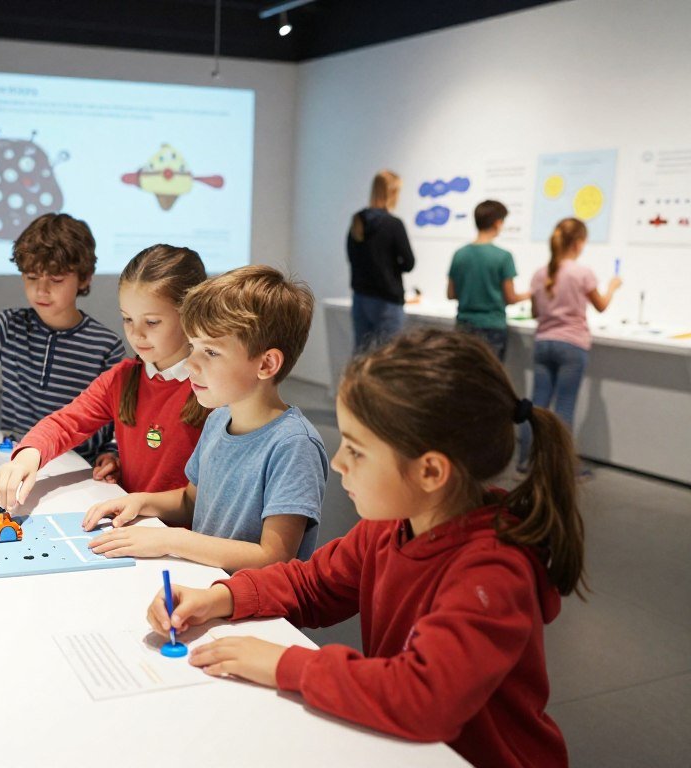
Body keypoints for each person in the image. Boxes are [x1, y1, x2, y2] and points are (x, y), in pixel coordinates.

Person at [147, 328, 584, 768]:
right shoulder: (390, 527)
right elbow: (313, 584)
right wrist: (220, 597)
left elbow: (423, 697)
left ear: (430, 471)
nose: (337, 464)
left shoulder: (491, 572)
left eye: (356, 451)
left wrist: (284, 665)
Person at [80, 266, 327, 571]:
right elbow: (190, 501)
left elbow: (273, 557)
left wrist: (170, 541)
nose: (191, 364)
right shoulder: (217, 421)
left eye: (210, 352)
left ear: (266, 364)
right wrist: (141, 502)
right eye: (193, 347)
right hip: (205, 590)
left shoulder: (294, 445)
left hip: (257, 613)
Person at [0, 244, 209, 508]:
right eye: (127, 319)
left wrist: (140, 503)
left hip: (178, 538)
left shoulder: (212, 387)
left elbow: (204, 498)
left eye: (151, 322)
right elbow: (66, 422)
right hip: (131, 525)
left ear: (190, 314)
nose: (136, 334)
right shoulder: (123, 377)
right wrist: (27, 456)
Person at [0, 213, 124, 465]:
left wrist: (112, 454)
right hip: (16, 457)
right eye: (32, 277)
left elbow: (120, 419)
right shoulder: (9, 326)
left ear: (84, 278)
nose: (41, 290)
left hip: (79, 466)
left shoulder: (105, 346)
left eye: (56, 279)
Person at [517, 218, 622, 472]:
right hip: (572, 345)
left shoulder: (540, 274)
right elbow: (601, 305)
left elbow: (534, 312)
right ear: (578, 243)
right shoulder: (582, 273)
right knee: (564, 406)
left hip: (543, 342)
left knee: (537, 405)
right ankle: (561, 468)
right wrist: (612, 287)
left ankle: (525, 461)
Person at [447, 200, 529, 361]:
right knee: (489, 380)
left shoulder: (460, 254)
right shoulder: (503, 257)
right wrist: (530, 294)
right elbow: (510, 297)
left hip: (464, 324)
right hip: (492, 326)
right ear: (498, 223)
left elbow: (450, 293)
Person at [346, 170, 415, 353]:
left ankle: (357, 383)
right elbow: (409, 262)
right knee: (388, 358)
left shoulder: (357, 221)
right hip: (387, 299)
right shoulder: (393, 224)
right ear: (393, 193)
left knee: (361, 355)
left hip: (361, 297)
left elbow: (352, 257)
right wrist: (391, 267)